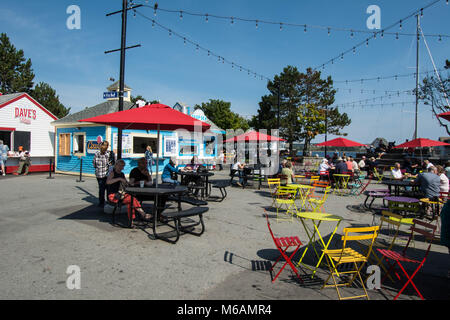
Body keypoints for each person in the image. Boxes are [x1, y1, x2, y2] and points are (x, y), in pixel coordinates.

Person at [93, 141, 115, 207]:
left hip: (99, 174)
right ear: (107, 146)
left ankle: (101, 202)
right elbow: (112, 163)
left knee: (101, 189)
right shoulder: (108, 154)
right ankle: (109, 201)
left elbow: (94, 164)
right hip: (107, 174)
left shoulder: (96, 153)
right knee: (108, 188)